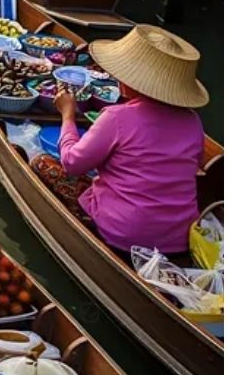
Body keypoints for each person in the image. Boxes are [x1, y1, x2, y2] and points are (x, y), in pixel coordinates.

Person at [49, 25, 208, 253]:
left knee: (42, 163)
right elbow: (193, 164)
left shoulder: (117, 117)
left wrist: (68, 115)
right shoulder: (193, 121)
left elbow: (72, 163)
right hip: (178, 238)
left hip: (123, 233)